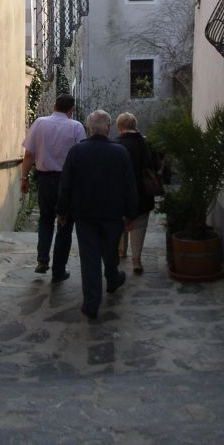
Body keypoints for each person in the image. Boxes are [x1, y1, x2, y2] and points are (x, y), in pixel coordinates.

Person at [56, 109, 137, 320]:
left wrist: (62, 211)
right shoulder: (120, 152)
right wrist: (131, 214)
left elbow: (66, 185)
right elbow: (129, 186)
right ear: (108, 129)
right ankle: (112, 278)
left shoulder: (76, 151)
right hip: (113, 214)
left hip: (85, 214)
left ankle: (92, 303)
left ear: (89, 129)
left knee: (90, 256)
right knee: (110, 250)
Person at [21, 93, 86, 280]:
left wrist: (24, 178)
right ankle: (59, 269)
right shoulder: (76, 127)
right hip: (67, 182)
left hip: (44, 180)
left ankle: (42, 260)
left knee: (45, 219)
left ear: (54, 106)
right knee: (65, 224)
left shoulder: (40, 123)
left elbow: (29, 155)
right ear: (71, 110)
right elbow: (81, 158)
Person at [116, 112, 160, 275]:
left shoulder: (116, 144)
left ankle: (121, 250)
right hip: (143, 191)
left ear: (119, 127)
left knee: (120, 221)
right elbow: (156, 166)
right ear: (135, 126)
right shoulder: (146, 143)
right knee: (139, 225)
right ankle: (136, 260)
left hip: (121, 192)